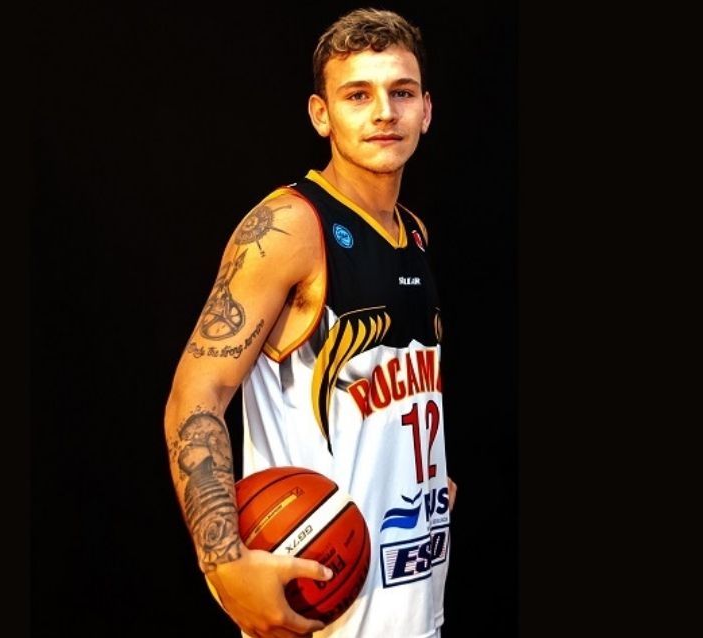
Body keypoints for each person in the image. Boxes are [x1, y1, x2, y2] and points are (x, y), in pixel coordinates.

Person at [164, 8, 454, 637]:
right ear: (322, 114)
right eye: (358, 95)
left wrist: (419, 473)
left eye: (402, 93)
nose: (385, 112)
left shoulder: (414, 234)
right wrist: (223, 560)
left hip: (412, 602)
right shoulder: (291, 227)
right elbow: (196, 395)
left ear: (426, 110)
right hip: (322, 609)